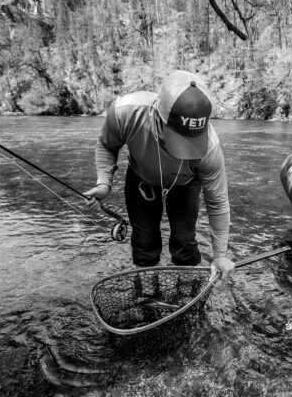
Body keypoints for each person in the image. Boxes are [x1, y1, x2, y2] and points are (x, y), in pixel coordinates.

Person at [84, 70, 235, 280]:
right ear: (155, 115)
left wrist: (220, 255)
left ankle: (187, 286)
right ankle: (147, 289)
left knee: (184, 241)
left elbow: (217, 203)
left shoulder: (210, 148)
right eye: (177, 138)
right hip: (141, 178)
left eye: (190, 141)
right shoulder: (125, 113)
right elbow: (107, 145)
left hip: (185, 183)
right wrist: (104, 183)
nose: (182, 151)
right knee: (144, 241)